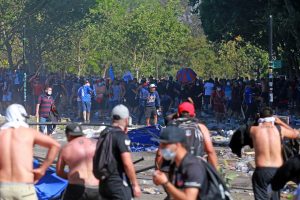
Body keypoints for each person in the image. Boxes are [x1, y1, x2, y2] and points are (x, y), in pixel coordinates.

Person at [0, 104, 60, 200]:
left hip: (2, 186)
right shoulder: (28, 132)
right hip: (24, 185)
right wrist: (42, 169)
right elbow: (55, 145)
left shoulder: (1, 133)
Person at [250, 107, 300, 200]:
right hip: (277, 171)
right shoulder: (280, 129)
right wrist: (281, 122)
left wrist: (257, 120)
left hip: (261, 171)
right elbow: (296, 134)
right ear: (273, 118)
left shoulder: (254, 130)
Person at [157, 102, 218, 170]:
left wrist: (159, 171)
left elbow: (160, 154)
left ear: (178, 114)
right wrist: (215, 174)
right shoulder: (201, 127)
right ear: (194, 115)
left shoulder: (171, 128)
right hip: (198, 169)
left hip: (178, 169)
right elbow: (210, 151)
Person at [152, 126, 208, 200]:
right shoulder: (175, 164)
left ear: (177, 145)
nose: (161, 148)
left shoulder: (192, 166)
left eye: (165, 144)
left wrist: (165, 182)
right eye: (161, 144)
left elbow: (189, 198)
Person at [98, 104, 141, 199]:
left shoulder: (104, 133)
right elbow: (127, 163)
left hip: (103, 183)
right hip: (118, 184)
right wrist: (135, 184)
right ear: (126, 120)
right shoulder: (120, 135)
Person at [56, 123, 99, 200]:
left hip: (76, 188)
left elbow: (59, 172)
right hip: (97, 188)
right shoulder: (96, 144)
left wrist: (71, 177)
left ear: (68, 135)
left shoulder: (66, 148)